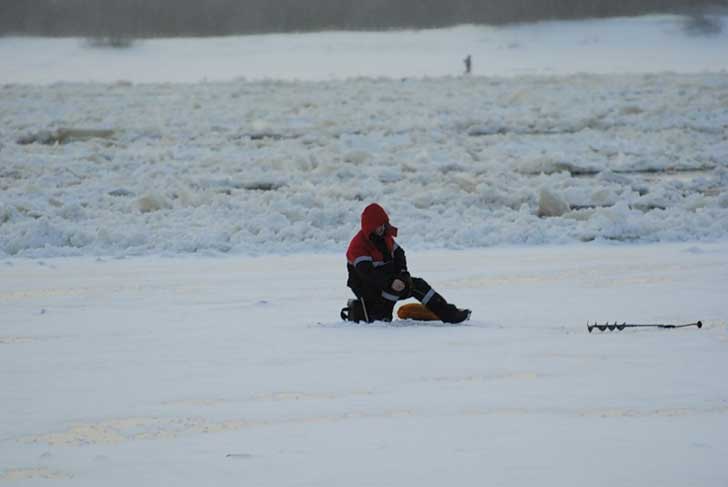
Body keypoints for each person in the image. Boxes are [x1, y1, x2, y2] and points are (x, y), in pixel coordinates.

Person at [341, 203, 471, 323]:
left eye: (383, 224)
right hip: (367, 286)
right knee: (385, 301)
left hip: (389, 280)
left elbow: (399, 255)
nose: (382, 228)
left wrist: (403, 274)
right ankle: (381, 315)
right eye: (378, 226)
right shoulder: (358, 246)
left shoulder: (385, 237)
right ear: (370, 227)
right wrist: (391, 282)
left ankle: (449, 314)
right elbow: (367, 273)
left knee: (418, 285)